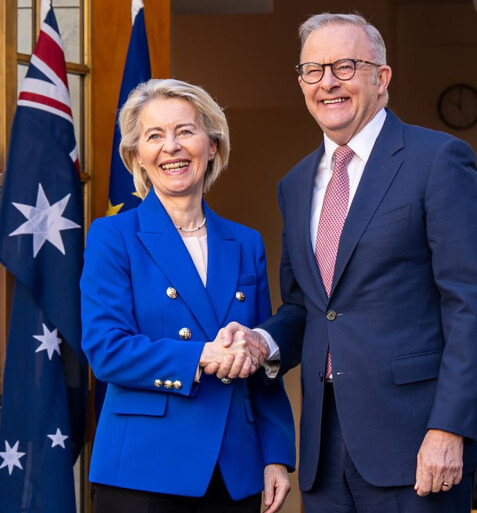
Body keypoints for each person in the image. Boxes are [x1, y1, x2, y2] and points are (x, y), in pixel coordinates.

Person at [218, 13, 477, 513]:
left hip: (418, 444)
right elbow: (307, 307)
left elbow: (472, 307)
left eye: (345, 66)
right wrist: (261, 341)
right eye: (313, 70)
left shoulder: (439, 160)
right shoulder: (295, 183)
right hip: (325, 453)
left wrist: (449, 428)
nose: (327, 82)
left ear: (381, 77)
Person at [80, 79, 295, 513]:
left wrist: (275, 454)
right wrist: (201, 357)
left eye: (185, 131)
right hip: (144, 469)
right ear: (136, 155)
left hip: (235, 468)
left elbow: (257, 356)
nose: (171, 147)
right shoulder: (113, 236)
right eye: (154, 136)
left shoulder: (245, 242)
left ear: (212, 146)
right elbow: (106, 350)